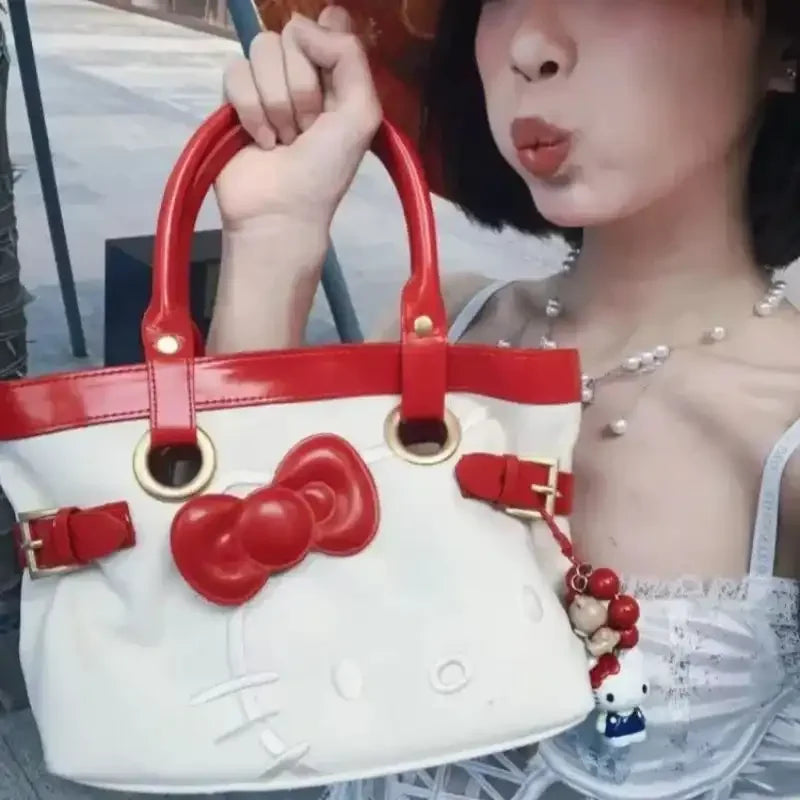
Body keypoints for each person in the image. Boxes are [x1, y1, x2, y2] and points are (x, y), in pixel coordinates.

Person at [209, 1, 800, 798]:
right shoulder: (436, 337)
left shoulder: (782, 426)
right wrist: (274, 241)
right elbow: (225, 632)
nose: (530, 45)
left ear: (786, 45)